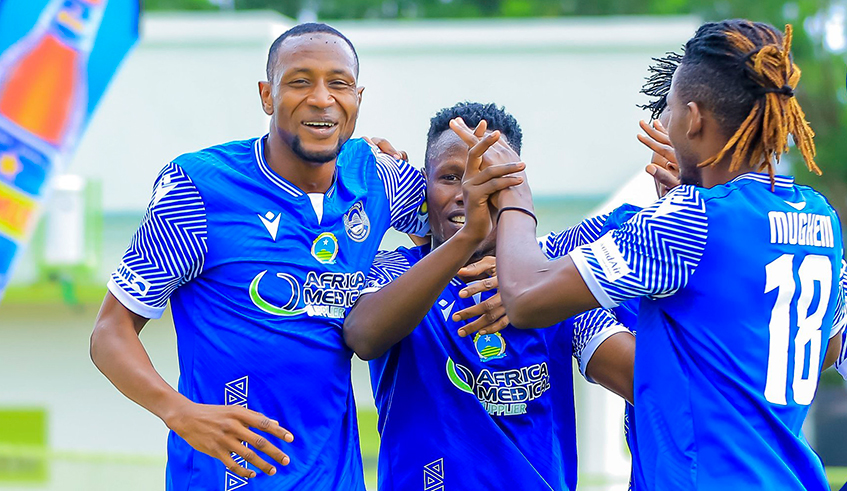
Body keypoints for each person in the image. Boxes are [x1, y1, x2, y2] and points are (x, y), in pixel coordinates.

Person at [458, 20, 846, 490]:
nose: (664, 124)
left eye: (670, 109)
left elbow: (525, 298)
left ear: (695, 117)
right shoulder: (819, 217)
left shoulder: (692, 216)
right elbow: (824, 344)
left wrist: (514, 190)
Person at [90, 23, 429, 490]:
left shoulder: (379, 176)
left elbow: (453, 227)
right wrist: (179, 412)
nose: (321, 98)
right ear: (267, 96)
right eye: (300, 81)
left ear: (357, 98)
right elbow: (110, 331)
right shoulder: (199, 187)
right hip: (224, 479)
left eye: (339, 83)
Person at [343, 102, 632, 490]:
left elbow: (645, 382)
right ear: (422, 188)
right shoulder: (392, 272)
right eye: (449, 177)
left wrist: (524, 293)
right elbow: (364, 337)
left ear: (516, 189)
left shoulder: (557, 286)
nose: (469, 191)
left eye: (488, 177)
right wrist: (465, 239)